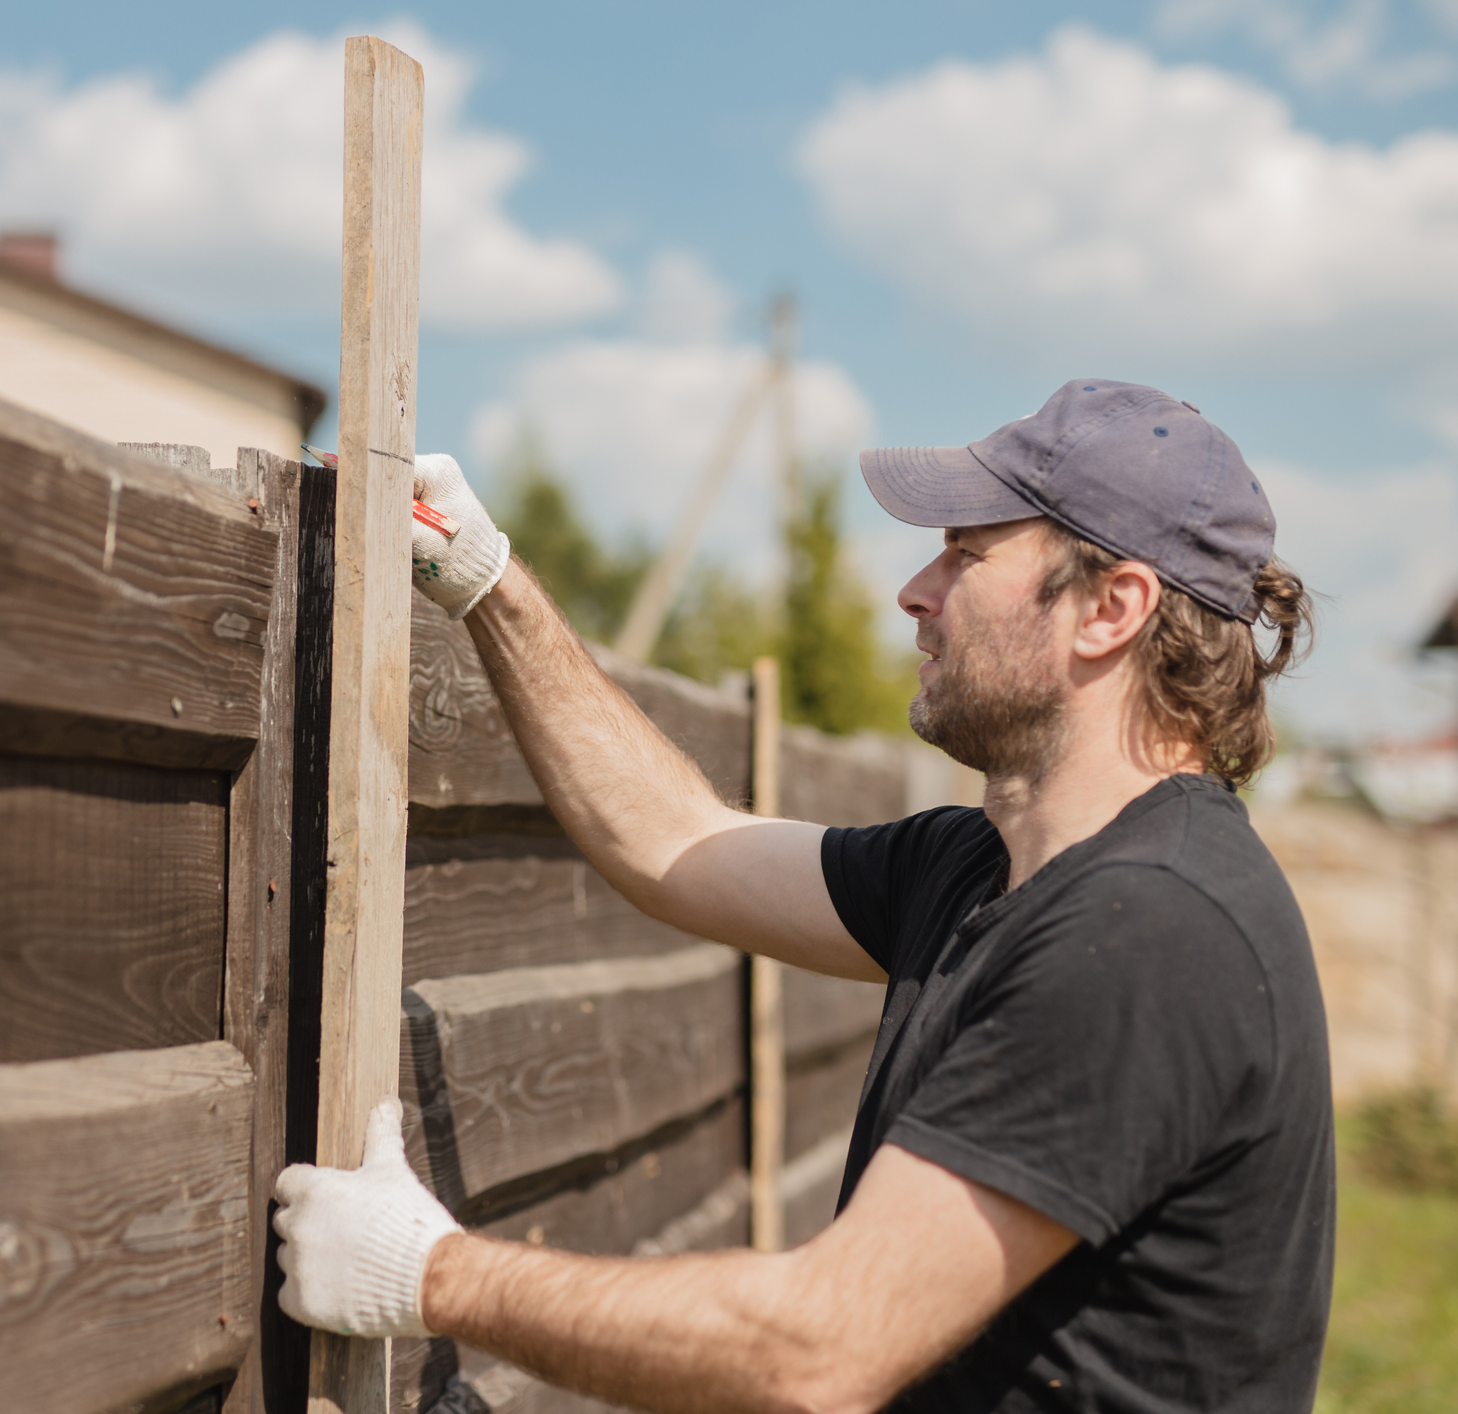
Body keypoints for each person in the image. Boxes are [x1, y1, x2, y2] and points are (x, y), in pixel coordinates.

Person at [273, 379, 1332, 1414]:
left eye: (966, 553)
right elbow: (676, 839)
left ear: (1111, 607)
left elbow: (820, 1348)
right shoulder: (981, 868)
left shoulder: (1147, 927)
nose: (915, 590)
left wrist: (428, 1273)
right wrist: (490, 581)